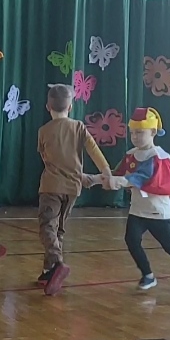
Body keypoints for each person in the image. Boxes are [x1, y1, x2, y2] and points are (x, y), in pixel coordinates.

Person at [100, 107, 170, 293]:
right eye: (132, 133)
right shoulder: (131, 154)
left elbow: (142, 177)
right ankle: (148, 275)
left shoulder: (158, 157)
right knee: (131, 240)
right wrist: (99, 179)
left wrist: (120, 181)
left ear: (153, 132)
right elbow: (119, 173)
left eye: (140, 132)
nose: (135, 137)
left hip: (157, 212)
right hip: (137, 210)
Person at [36, 84, 112, 296]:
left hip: (51, 187)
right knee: (59, 229)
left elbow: (45, 158)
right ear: (70, 107)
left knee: (47, 227)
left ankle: (57, 263)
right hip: (72, 189)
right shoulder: (79, 127)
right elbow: (93, 150)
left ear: (47, 107)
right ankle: (48, 272)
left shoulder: (43, 131)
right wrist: (105, 171)